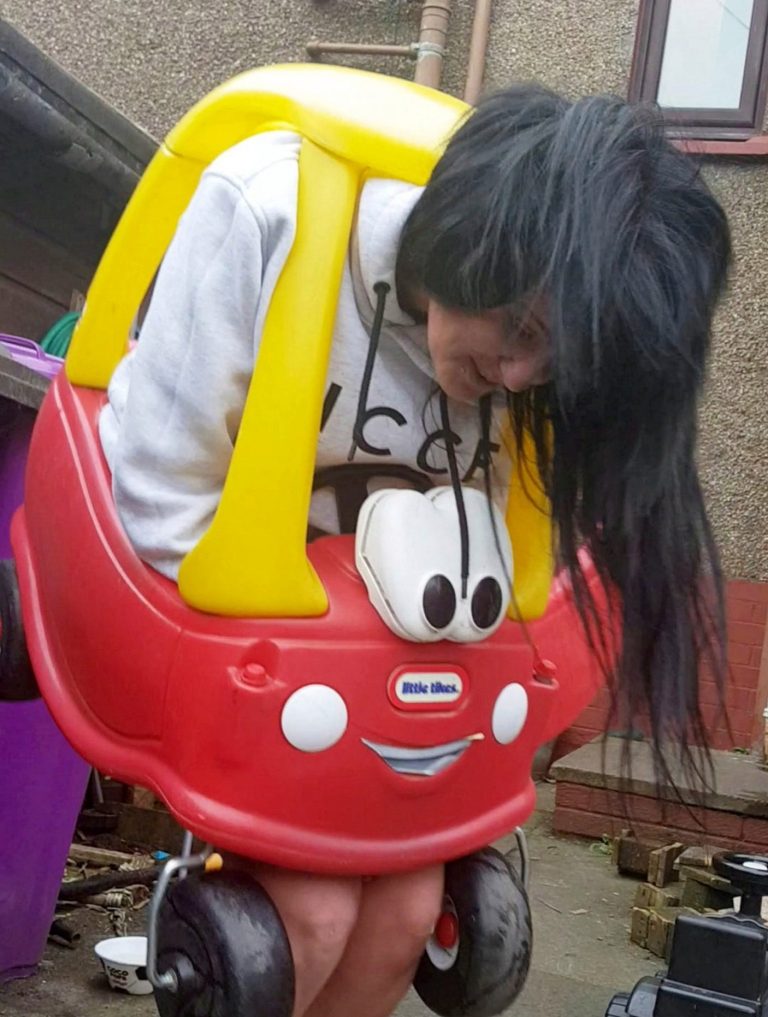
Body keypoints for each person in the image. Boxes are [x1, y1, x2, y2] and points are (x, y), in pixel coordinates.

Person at [99, 83, 731, 1017]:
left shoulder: (529, 383)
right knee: (306, 916)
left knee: (404, 913)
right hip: (262, 657)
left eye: (552, 360)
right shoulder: (270, 207)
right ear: (472, 234)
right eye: (517, 328)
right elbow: (159, 500)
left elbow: (524, 580)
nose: (515, 377)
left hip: (392, 695)